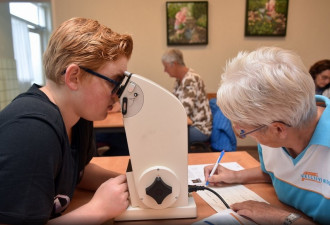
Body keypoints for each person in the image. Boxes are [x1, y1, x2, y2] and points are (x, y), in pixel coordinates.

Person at [0, 17, 133, 224]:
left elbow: (77, 170)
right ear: (74, 77)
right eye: (114, 83)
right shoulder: (32, 132)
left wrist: (129, 185)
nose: (118, 95)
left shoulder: (77, 116)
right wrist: (98, 209)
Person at [204, 47, 329, 225]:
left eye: (244, 131)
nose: (241, 133)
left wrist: (281, 218)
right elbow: (279, 171)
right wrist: (235, 176)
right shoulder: (278, 130)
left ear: (278, 130)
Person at [162, 48, 212, 147]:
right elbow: (173, 105)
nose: (165, 70)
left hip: (199, 128)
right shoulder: (179, 80)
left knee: (163, 136)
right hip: (188, 125)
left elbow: (184, 111)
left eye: (166, 67)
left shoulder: (191, 79)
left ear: (174, 64)